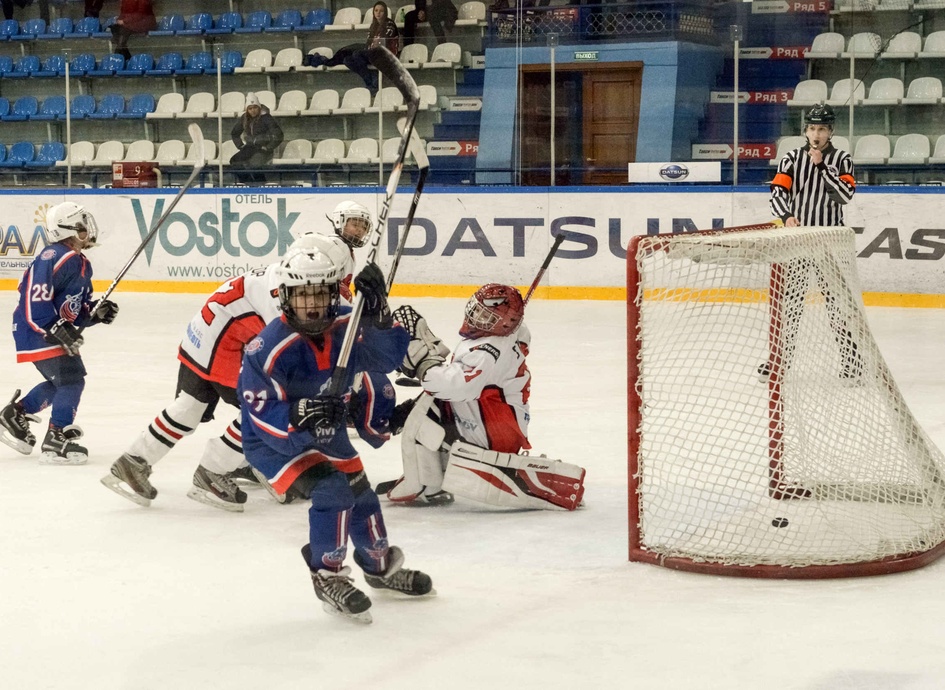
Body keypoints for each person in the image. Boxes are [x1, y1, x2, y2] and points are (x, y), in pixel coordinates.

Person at [238, 241, 432, 623]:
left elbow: (385, 359)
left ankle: (379, 568)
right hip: (273, 441)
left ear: (333, 292)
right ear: (285, 297)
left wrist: (378, 315)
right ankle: (327, 576)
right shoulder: (267, 347)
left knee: (362, 496)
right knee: (333, 491)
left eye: (319, 293)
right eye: (301, 295)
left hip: (327, 431)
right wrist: (300, 413)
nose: (311, 304)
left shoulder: (348, 321)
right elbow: (259, 411)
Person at [382, 284, 586, 510]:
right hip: (500, 421)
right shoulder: (508, 333)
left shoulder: (489, 352)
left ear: (505, 323)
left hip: (495, 431)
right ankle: (431, 477)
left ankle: (424, 485)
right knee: (431, 406)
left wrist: (423, 363)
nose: (476, 318)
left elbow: (456, 386)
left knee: (424, 417)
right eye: (477, 310)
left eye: (486, 317)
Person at [0, 203, 119, 465]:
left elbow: (73, 310)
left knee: (62, 382)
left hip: (47, 329)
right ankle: (56, 436)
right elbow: (33, 298)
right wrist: (52, 326)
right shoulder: (55, 255)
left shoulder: (81, 262)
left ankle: (15, 414)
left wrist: (94, 314)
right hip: (38, 329)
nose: (88, 229)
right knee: (71, 380)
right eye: (82, 225)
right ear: (68, 228)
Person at [764, 102, 860, 381]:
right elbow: (777, 194)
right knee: (790, 304)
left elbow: (844, 196)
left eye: (822, 129)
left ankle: (852, 361)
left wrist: (822, 167)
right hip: (799, 242)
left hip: (830, 243)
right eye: (812, 129)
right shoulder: (791, 158)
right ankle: (779, 361)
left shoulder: (842, 159)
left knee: (837, 304)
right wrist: (787, 216)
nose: (816, 134)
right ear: (805, 130)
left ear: (831, 131)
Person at [301, 1, 399, 96]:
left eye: (381, 11)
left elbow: (382, 45)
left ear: (385, 12)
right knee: (347, 60)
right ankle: (371, 80)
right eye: (376, 10)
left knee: (357, 54)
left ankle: (371, 82)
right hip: (373, 53)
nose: (378, 13)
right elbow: (369, 44)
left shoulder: (389, 24)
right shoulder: (374, 25)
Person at [230, 92, 284, 186]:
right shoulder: (244, 118)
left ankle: (261, 184)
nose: (253, 111)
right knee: (234, 161)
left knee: (255, 164)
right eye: (250, 108)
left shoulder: (266, 118)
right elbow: (235, 133)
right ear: (247, 109)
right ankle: (247, 183)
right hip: (250, 147)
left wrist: (268, 147)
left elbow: (278, 135)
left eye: (255, 107)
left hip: (263, 148)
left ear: (259, 107)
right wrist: (240, 145)